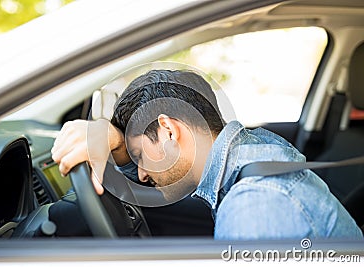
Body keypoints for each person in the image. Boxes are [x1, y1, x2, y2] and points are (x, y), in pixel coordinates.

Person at [51, 69, 363, 240]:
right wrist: (118, 142)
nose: (142, 173)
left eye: (140, 156)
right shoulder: (252, 150)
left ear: (169, 131)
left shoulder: (253, 208)